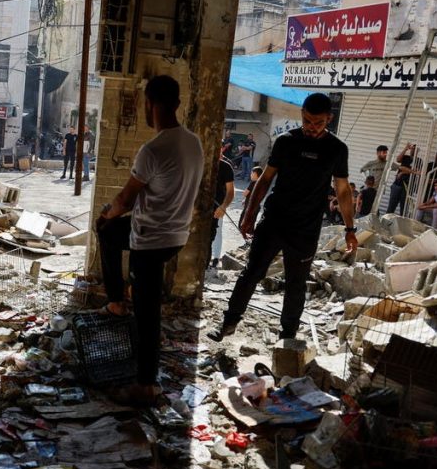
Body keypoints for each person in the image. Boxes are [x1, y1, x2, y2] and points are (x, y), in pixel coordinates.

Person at [211, 93, 357, 342]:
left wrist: (350, 229)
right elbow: (265, 179)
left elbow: (343, 190)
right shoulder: (286, 141)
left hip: (306, 230)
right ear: (302, 115)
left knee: (296, 284)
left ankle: (287, 337)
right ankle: (229, 322)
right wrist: (249, 214)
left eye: (318, 123)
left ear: (329, 119)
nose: (311, 127)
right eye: (307, 121)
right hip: (274, 221)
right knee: (251, 273)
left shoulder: (337, 149)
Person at [96, 75, 204, 405]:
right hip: (176, 235)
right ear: (177, 104)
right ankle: (116, 302)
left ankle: (145, 385)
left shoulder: (152, 150)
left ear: (149, 105)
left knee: (147, 313)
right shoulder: (193, 143)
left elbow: (125, 200)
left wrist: (107, 212)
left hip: (150, 239)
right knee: (109, 233)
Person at [209, 148, 236, 269]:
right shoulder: (199, 162)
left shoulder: (226, 167)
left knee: (217, 232)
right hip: (199, 207)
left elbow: (230, 191)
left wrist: (223, 206)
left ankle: (215, 257)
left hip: (217, 206)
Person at [386, 143, 418, 216]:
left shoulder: (418, 161)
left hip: (408, 186)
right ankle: (386, 220)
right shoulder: (406, 157)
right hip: (397, 184)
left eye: (415, 149)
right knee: (391, 206)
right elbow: (398, 159)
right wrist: (405, 149)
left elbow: (417, 172)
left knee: (404, 209)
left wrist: (403, 172)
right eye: (412, 149)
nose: (413, 150)